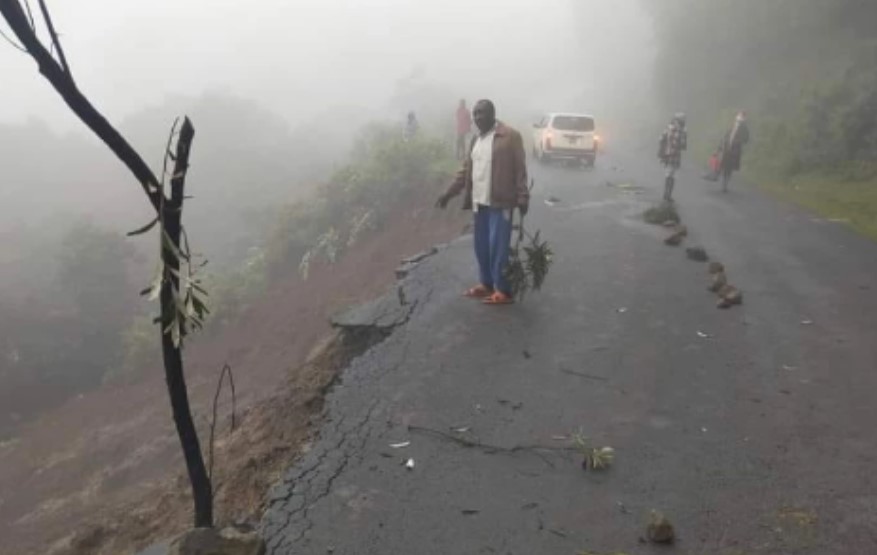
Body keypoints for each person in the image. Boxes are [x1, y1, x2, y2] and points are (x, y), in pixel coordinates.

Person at [436, 99, 529, 305]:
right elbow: (465, 172)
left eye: (482, 113)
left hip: (501, 202)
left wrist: (523, 197)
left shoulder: (509, 136)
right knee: (482, 246)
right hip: (479, 202)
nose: (478, 117)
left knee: (498, 246)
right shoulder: (475, 140)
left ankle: (502, 290)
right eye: (475, 114)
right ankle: (486, 283)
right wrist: (448, 193)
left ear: (493, 114)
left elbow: (520, 169)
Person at [657, 112, 687, 201]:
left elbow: (660, 139)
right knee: (672, 175)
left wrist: (662, 151)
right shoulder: (680, 131)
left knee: (669, 174)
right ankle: (668, 195)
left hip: (667, 155)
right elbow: (682, 145)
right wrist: (683, 135)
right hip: (674, 156)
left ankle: (666, 194)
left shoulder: (668, 128)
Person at [717, 111, 750, 192]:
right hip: (727, 147)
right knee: (725, 166)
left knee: (730, 167)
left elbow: (746, 139)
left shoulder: (744, 128)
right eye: (739, 116)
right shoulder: (732, 125)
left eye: (741, 116)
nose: (739, 118)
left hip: (735, 149)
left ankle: (725, 184)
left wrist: (738, 141)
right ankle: (724, 183)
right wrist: (721, 145)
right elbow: (726, 135)